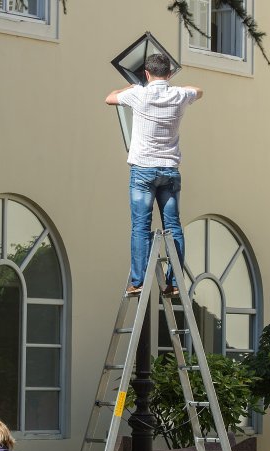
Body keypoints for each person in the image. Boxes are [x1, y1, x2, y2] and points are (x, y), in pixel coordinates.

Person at [105, 53, 203, 296]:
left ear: (147, 74)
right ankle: (175, 282)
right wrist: (176, 86)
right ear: (169, 74)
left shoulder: (138, 93)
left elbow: (109, 98)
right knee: (173, 226)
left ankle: (138, 281)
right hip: (169, 170)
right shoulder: (179, 95)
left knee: (140, 226)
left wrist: (134, 84)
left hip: (143, 171)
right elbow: (198, 90)